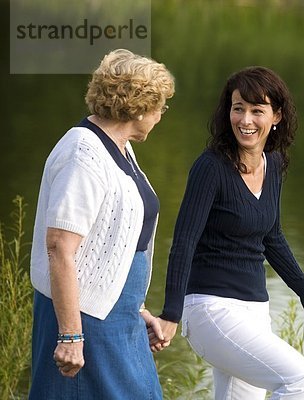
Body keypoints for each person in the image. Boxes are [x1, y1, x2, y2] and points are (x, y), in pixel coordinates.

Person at [156, 66, 304, 400]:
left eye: (257, 110)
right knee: (302, 382)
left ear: (276, 116)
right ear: (228, 112)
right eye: (238, 109)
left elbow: (272, 236)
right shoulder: (210, 167)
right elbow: (183, 242)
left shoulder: (274, 164)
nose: (245, 120)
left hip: (254, 310)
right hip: (211, 309)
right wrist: (171, 314)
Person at [28, 49, 175, 399]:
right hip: (84, 319)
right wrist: (70, 336)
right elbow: (60, 247)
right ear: (138, 107)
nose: (160, 115)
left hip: (118, 316)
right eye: (159, 107)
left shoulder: (119, 147)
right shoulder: (83, 153)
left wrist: (137, 309)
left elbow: (111, 243)